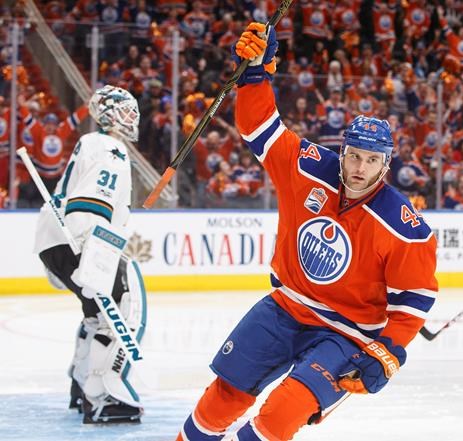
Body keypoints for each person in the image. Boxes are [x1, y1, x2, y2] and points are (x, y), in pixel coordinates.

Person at [177, 22, 438, 440]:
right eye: (353, 156)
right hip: (285, 306)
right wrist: (255, 74)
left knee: (278, 417)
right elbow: (259, 127)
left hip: (347, 332)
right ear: (342, 152)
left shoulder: (404, 226)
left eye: (371, 161)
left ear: (385, 165)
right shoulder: (307, 168)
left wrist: (387, 351)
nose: (359, 168)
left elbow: (414, 300)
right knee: (221, 398)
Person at [32, 85, 147, 424]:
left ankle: (80, 385)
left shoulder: (93, 143)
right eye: (125, 110)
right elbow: (91, 200)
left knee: (96, 313)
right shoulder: (111, 148)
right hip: (79, 235)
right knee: (121, 307)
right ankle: (101, 397)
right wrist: (92, 250)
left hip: (53, 239)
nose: (133, 117)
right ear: (107, 113)